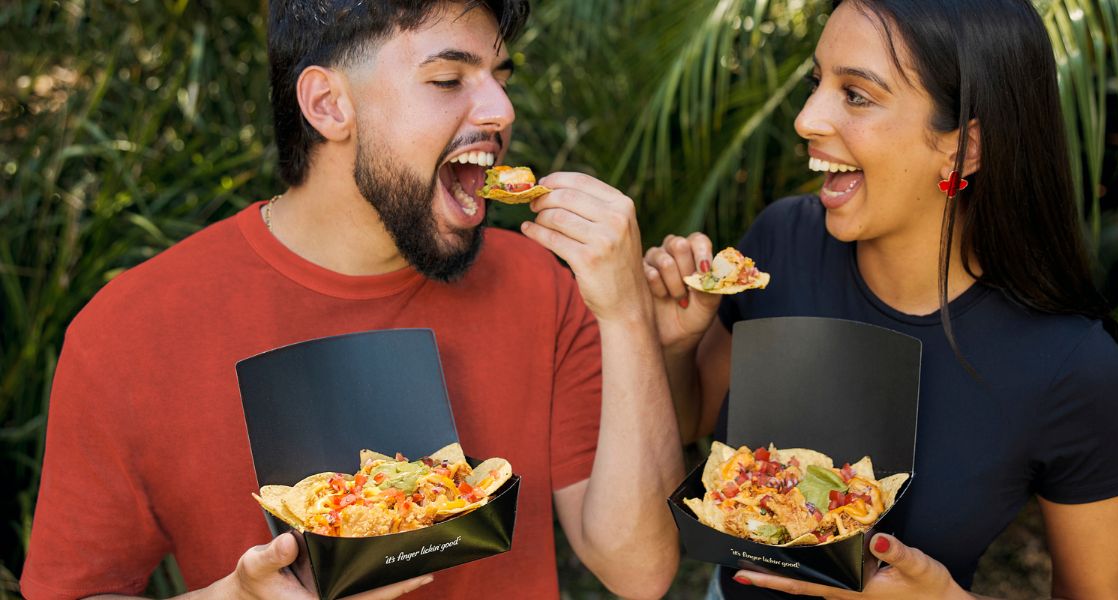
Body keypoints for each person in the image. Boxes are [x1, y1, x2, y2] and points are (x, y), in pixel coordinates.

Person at [21, 1, 683, 599]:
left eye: (499, 77)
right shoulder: (129, 332)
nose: (502, 111)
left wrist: (625, 311)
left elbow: (640, 572)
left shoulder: (540, 283)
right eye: (448, 79)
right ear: (329, 105)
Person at [643, 0, 1118, 598]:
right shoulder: (782, 242)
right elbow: (692, 422)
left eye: (856, 94)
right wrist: (675, 345)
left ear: (964, 149)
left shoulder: (1071, 369)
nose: (806, 119)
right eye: (816, 83)